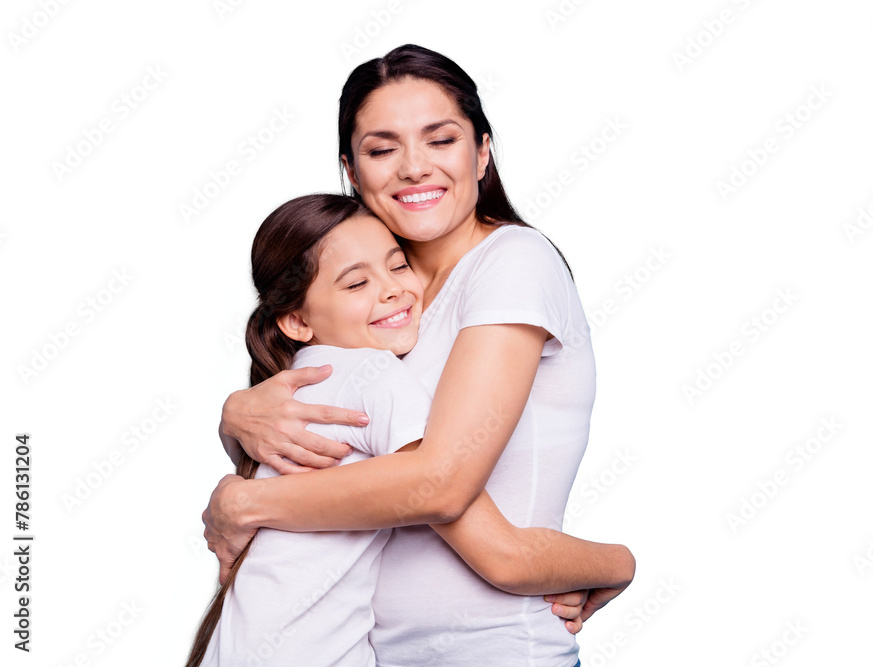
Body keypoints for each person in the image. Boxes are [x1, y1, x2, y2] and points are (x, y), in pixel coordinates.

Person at [203, 44, 632, 665]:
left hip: (494, 650)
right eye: (382, 149)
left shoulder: (512, 263)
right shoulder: (383, 307)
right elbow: (328, 451)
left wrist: (244, 502)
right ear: (350, 169)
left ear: (482, 151)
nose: (413, 167)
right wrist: (237, 415)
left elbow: (440, 483)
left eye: (441, 140)